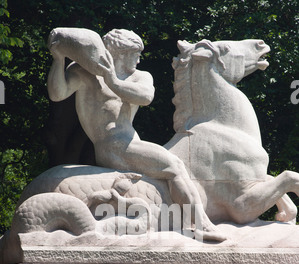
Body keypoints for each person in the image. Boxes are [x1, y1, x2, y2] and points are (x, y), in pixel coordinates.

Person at [47, 28, 226, 242]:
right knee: (175, 166)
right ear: (121, 52)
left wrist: (112, 80)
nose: (139, 60)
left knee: (174, 164)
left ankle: (192, 221)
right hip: (112, 147)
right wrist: (58, 59)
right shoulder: (84, 72)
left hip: (131, 141)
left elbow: (145, 97)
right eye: (136, 54)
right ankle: (199, 223)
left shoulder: (140, 77)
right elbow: (57, 94)